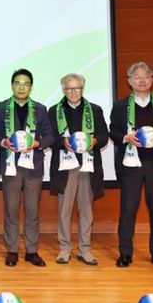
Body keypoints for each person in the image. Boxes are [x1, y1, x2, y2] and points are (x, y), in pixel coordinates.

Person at [109, 62, 153, 269]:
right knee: (128, 210)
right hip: (131, 165)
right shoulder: (120, 106)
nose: (142, 80)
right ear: (129, 81)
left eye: (146, 76)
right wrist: (126, 138)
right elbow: (113, 131)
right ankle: (125, 253)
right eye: (137, 77)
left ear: (152, 80)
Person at [0, 68, 54, 267]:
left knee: (32, 211)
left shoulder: (40, 109)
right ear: (12, 86)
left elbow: (50, 136)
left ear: (31, 87)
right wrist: (3, 142)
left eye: (25, 84)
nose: (21, 87)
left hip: (33, 166)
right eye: (17, 83)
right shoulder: (1, 108)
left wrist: (38, 143)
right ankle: (12, 250)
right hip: (11, 165)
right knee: (11, 210)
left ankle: (31, 251)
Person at [48, 74, 108, 266]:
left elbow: (104, 136)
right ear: (63, 90)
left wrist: (95, 140)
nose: (74, 92)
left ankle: (85, 249)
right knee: (64, 210)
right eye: (69, 88)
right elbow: (49, 137)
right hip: (65, 167)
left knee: (86, 210)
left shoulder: (95, 110)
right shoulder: (54, 111)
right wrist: (62, 141)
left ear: (82, 89)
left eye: (77, 88)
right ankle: (65, 248)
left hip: (88, 166)